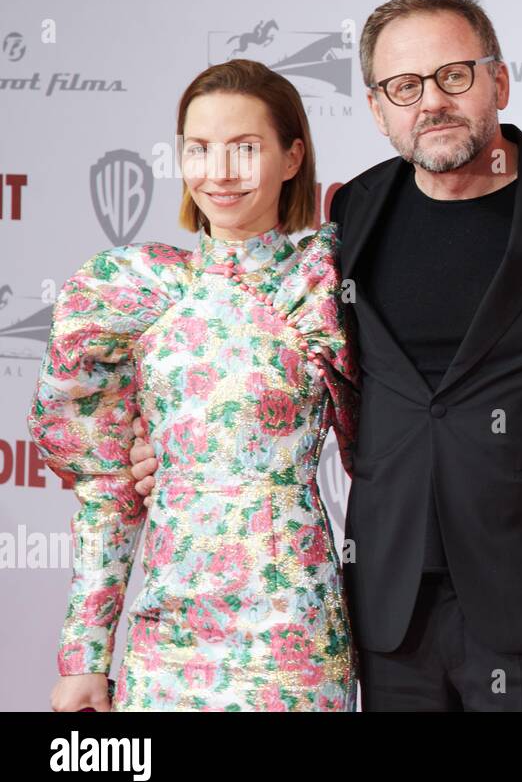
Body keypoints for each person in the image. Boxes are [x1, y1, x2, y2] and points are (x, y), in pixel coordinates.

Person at [134, 0, 522, 711]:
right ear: (378, 111)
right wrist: (187, 444)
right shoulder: (353, 211)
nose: (431, 101)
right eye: (404, 87)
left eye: (454, 75)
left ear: (498, 81)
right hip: (389, 603)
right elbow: (284, 368)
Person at [31, 59, 357, 711]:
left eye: (246, 148)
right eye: (199, 149)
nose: (220, 171)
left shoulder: (323, 282)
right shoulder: (134, 290)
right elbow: (108, 491)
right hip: (167, 636)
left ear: (293, 156)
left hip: (293, 628)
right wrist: (84, 654)